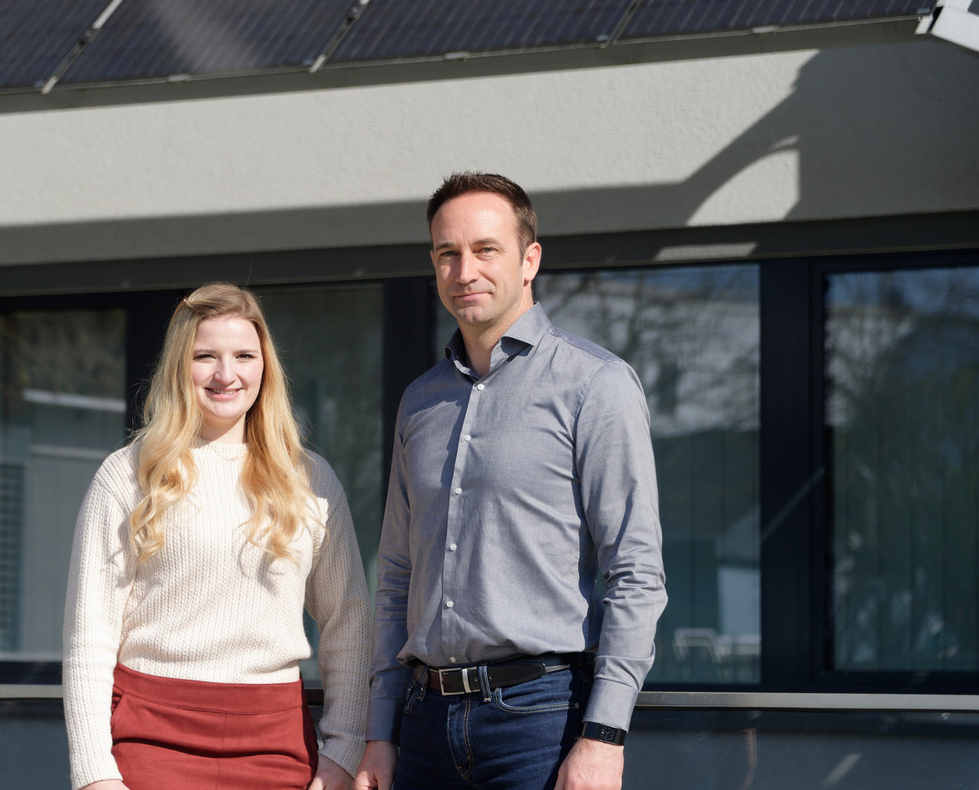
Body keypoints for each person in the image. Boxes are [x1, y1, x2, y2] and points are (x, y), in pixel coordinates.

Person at [354, 174, 667, 790]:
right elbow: (395, 577)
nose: (464, 270)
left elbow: (636, 571)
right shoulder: (420, 402)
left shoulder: (594, 385)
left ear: (530, 260)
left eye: (485, 249)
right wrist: (379, 731)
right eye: (448, 253)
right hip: (423, 725)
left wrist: (604, 735)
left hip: (541, 723)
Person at [63, 282, 372, 790]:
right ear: (179, 366)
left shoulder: (311, 480)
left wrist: (343, 750)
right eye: (205, 356)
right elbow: (89, 638)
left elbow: (349, 623)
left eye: (244, 356)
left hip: (276, 742)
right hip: (152, 738)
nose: (226, 375)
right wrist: (95, 775)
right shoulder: (128, 476)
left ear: (265, 366)